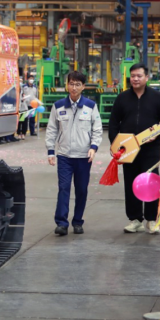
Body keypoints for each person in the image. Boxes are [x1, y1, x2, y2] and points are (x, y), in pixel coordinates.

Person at [109, 63, 160, 234]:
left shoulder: (157, 98)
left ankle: (151, 220)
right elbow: (114, 123)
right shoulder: (122, 98)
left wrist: (157, 136)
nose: (135, 79)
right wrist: (115, 145)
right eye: (133, 76)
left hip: (150, 149)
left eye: (139, 76)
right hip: (128, 149)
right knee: (131, 182)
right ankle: (135, 219)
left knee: (150, 182)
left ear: (147, 77)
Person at [45, 71, 103, 236]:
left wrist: (93, 147)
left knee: (82, 190)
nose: (74, 87)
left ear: (83, 87)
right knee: (63, 188)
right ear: (67, 85)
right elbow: (51, 130)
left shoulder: (91, 106)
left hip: (84, 156)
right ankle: (62, 223)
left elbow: (97, 130)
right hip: (64, 156)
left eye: (78, 84)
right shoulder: (58, 106)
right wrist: (50, 151)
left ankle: (78, 221)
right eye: (71, 83)